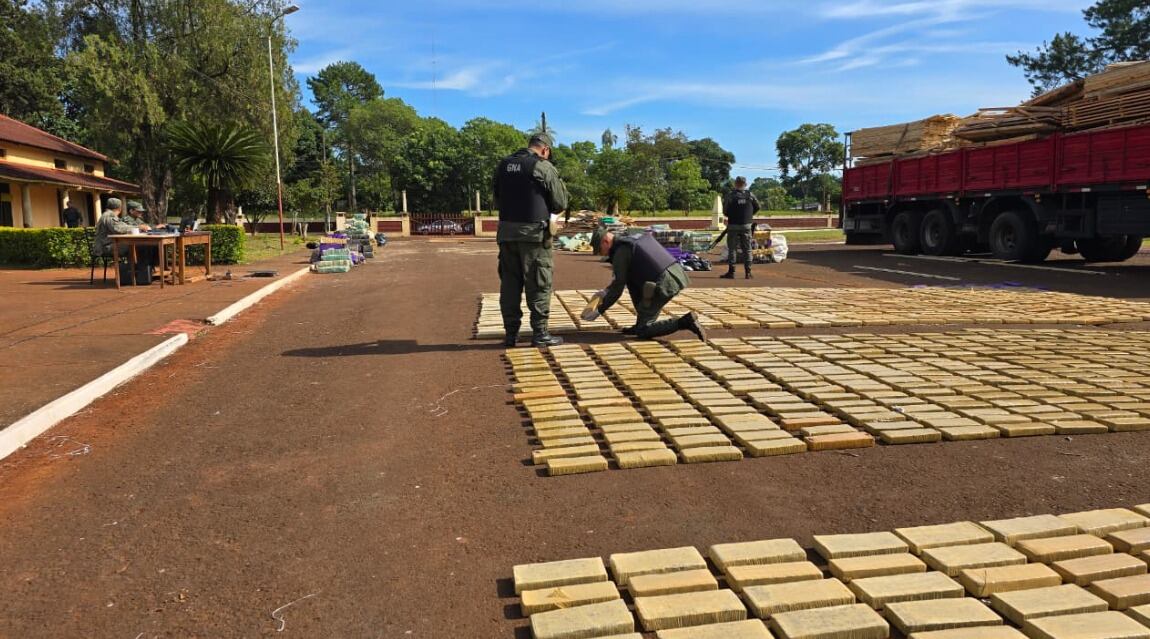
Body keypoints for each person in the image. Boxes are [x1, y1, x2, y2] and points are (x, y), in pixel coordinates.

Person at [493, 132, 569, 347]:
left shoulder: (503, 165)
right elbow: (560, 202)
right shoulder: (542, 166)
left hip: (506, 235)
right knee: (539, 283)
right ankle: (540, 334)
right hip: (534, 237)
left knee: (510, 284)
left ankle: (510, 335)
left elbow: (497, 199)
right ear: (545, 149)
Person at [583, 230, 706, 341]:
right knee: (633, 284)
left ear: (605, 241)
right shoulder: (630, 237)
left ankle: (685, 322)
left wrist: (600, 309)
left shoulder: (621, 252)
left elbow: (618, 288)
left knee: (644, 330)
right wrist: (605, 292)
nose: (600, 253)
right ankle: (640, 324)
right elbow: (624, 280)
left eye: (599, 249)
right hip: (674, 273)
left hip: (664, 283)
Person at [721, 176, 760, 279]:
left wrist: (731, 215)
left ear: (735, 184)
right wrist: (749, 216)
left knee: (732, 249)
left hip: (733, 225)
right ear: (745, 184)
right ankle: (748, 272)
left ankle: (731, 272)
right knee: (747, 249)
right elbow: (758, 207)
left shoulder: (730, 196)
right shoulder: (750, 195)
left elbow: (724, 211)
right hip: (746, 225)